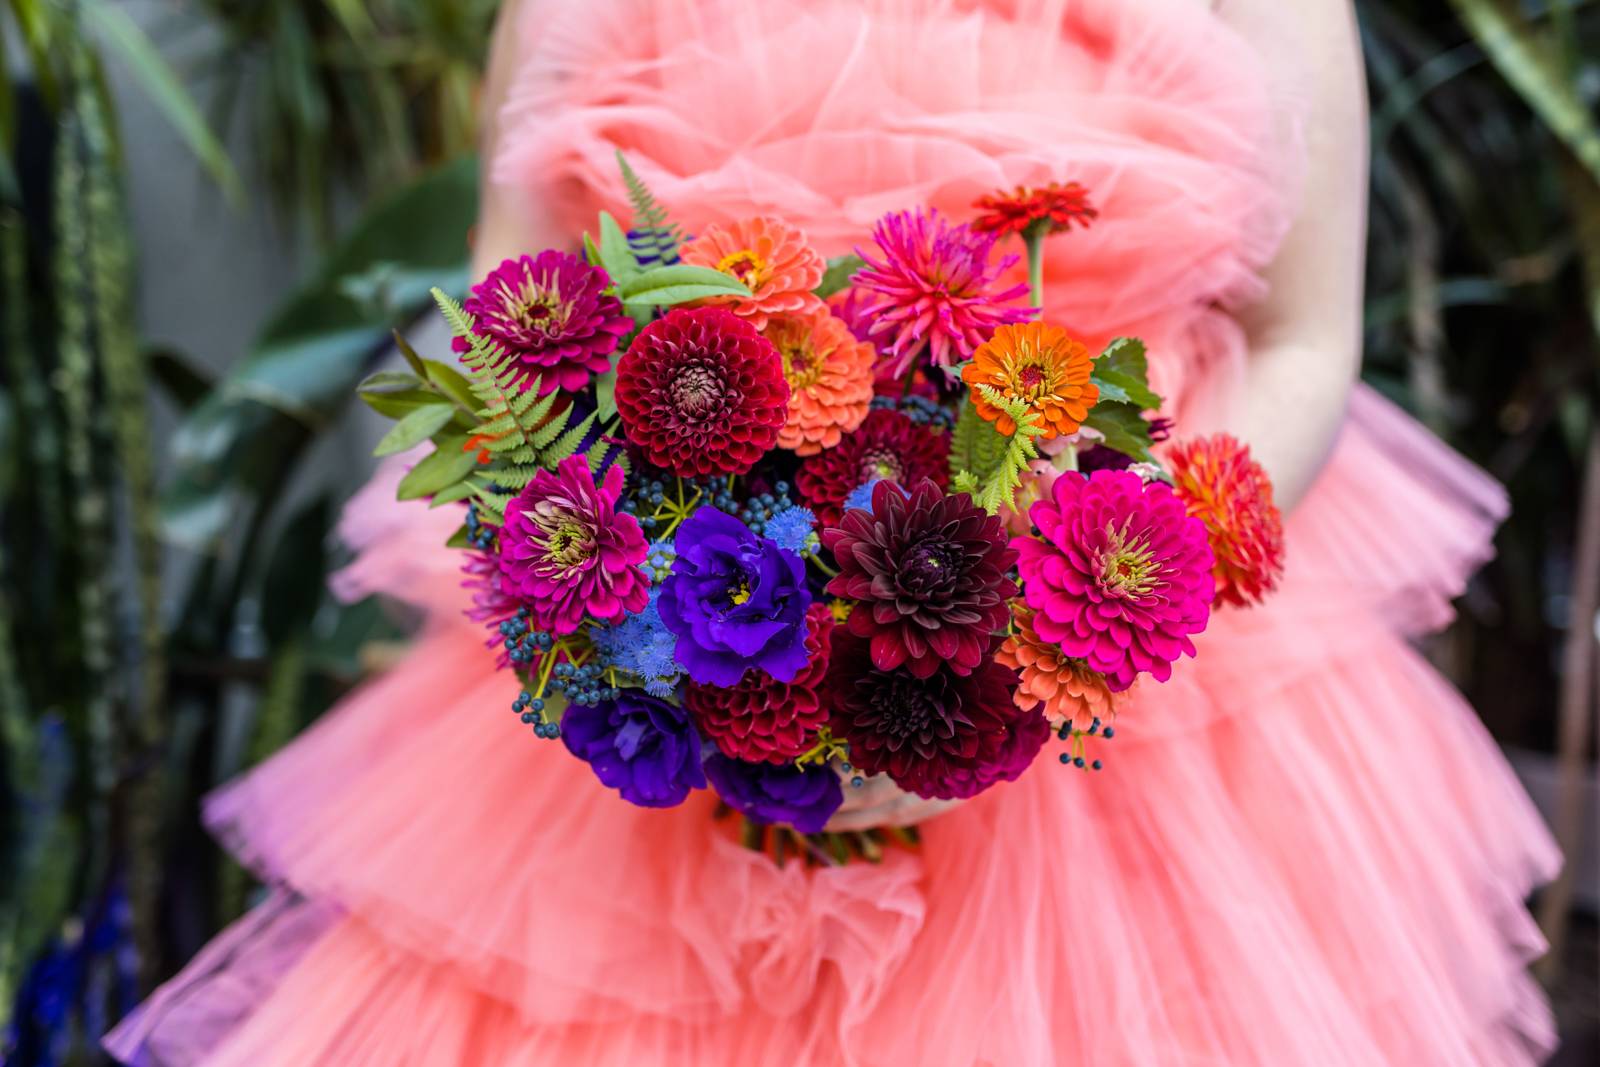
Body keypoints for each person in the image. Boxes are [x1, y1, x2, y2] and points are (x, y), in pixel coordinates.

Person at [109, 0, 1560, 1063]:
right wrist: (653, 647)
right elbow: (519, 288)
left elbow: (1306, 338)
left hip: (1138, 701)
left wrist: (1090, 617)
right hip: (658, 682)